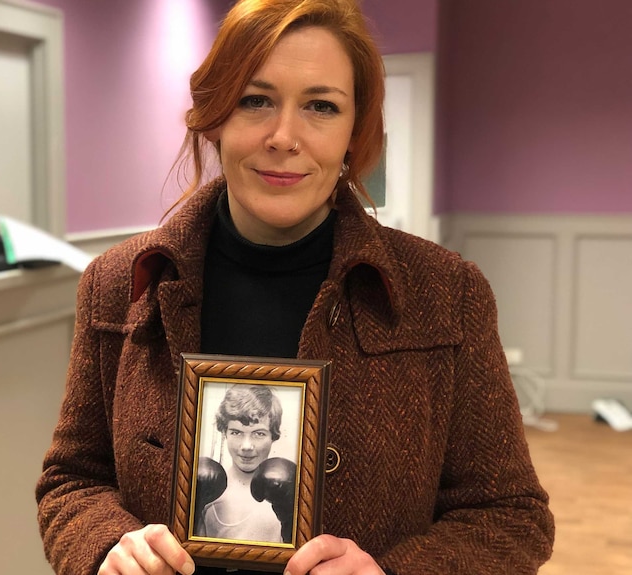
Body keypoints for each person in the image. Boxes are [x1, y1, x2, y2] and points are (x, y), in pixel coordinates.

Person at [35, 0, 555, 573]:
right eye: (255, 100)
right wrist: (107, 546)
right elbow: (72, 481)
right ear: (215, 116)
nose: (284, 136)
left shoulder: (446, 294)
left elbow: (510, 515)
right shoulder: (118, 285)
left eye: (321, 106)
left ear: (354, 132)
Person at [194, 385, 295, 544]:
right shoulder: (207, 488)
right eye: (236, 432)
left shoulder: (292, 488)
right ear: (225, 433)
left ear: (273, 436)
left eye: (259, 433)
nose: (246, 446)